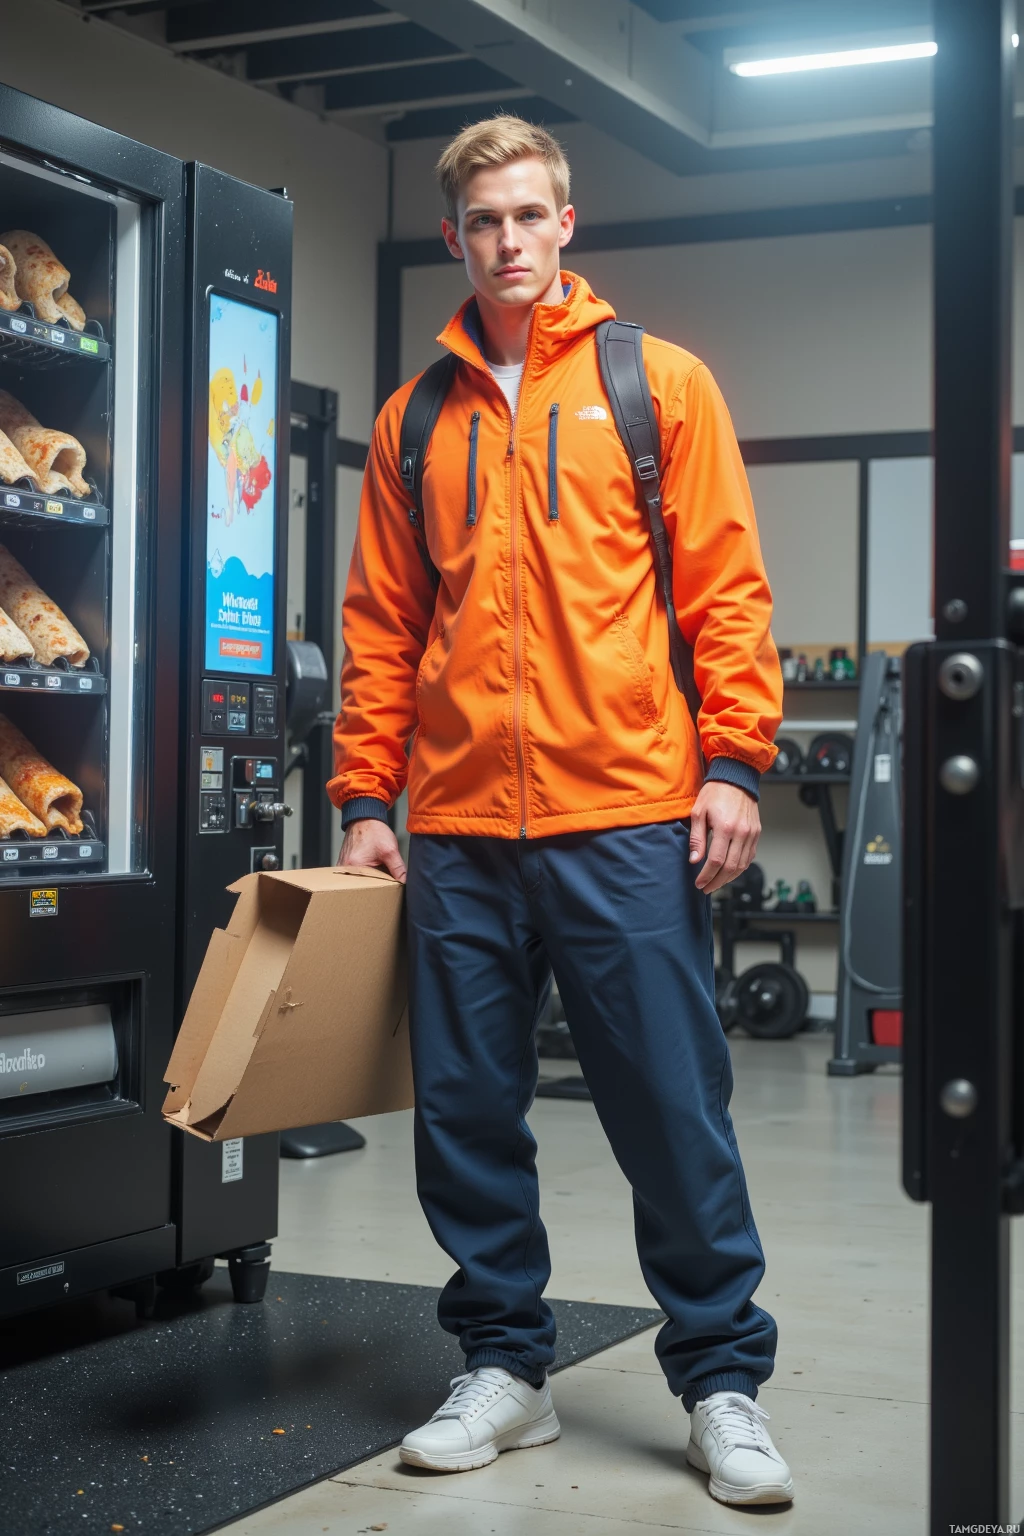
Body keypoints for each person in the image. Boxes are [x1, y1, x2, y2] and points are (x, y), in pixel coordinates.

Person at [329, 113, 792, 1508]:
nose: (509, 241)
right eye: (484, 223)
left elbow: (724, 589)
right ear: (456, 237)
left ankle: (721, 1381)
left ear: (566, 223)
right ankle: (505, 1369)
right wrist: (365, 793)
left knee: (670, 1109)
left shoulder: (659, 387)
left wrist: (733, 762)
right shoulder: (417, 422)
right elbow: (383, 628)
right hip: (461, 827)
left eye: (530, 216)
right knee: (467, 1114)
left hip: (626, 817)